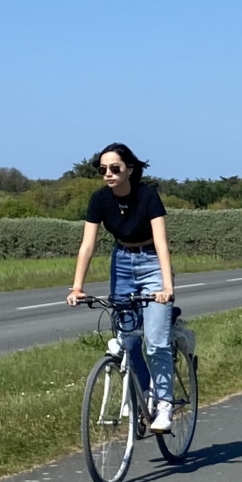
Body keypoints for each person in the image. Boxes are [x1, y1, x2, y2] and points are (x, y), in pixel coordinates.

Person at [68, 143, 178, 432]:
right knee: (128, 342)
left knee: (155, 343)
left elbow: (162, 243)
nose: (108, 174)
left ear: (129, 169)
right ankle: (142, 397)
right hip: (122, 264)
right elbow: (88, 245)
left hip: (151, 261)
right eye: (102, 169)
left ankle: (164, 404)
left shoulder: (148, 196)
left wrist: (167, 286)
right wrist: (77, 286)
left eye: (115, 168)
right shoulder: (100, 200)